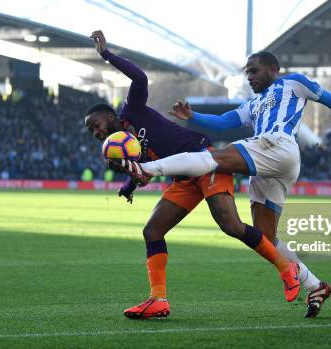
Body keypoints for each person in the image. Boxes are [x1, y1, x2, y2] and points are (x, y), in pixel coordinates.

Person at [109, 51, 331, 317]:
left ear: (273, 70)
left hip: (278, 144)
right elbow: (221, 123)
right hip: (270, 164)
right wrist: (193, 117)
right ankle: (315, 286)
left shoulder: (294, 83)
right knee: (266, 237)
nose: (249, 77)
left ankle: (145, 168)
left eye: (254, 71)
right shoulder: (252, 105)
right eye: (247, 72)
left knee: (211, 158)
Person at [85, 31, 300, 319]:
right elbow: (147, 169)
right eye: (92, 132)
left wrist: (106, 55)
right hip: (183, 179)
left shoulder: (131, 109)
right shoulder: (120, 153)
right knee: (152, 231)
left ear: (110, 116)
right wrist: (129, 183)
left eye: (96, 125)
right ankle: (158, 299)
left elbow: (140, 79)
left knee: (231, 225)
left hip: (204, 160)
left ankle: (288, 268)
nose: (96, 132)